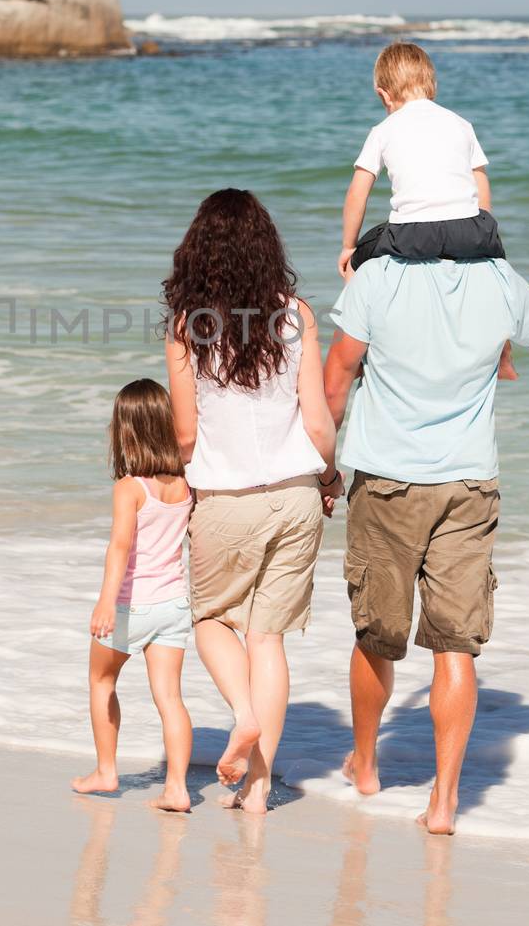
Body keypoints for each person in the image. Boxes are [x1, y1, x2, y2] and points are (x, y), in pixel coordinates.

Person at [322, 252, 529, 835]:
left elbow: (335, 381)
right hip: (468, 484)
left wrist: (323, 468)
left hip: (385, 483)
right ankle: (444, 801)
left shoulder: (377, 277)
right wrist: (517, 294)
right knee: (455, 643)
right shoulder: (497, 278)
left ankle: (365, 766)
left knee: (376, 634)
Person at [163, 189, 341, 815]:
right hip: (295, 495)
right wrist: (328, 476)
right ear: (268, 250)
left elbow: (185, 433)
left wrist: (183, 482)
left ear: (198, 252)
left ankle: (242, 717)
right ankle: (260, 789)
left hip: (226, 497)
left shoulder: (188, 328)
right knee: (268, 640)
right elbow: (318, 422)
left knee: (212, 619)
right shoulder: (296, 316)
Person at [338, 41, 517, 380]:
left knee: (359, 263)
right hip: (470, 229)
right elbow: (480, 180)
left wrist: (348, 247)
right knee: (498, 275)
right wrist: (484, 227)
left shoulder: (383, 130)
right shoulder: (461, 124)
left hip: (412, 233)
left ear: (383, 95)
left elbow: (357, 193)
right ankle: (503, 355)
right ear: (432, 86)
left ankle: (359, 353)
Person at [72, 378, 195, 813]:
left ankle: (106, 771)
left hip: (131, 606)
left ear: (125, 431)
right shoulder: (184, 485)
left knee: (101, 680)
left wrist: (107, 601)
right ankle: (177, 788)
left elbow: (120, 547)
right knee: (170, 698)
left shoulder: (130, 487)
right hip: (174, 605)